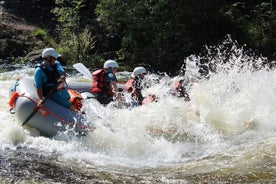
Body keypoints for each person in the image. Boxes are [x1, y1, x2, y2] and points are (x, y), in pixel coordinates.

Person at [34, 47, 78, 112]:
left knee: (68, 97)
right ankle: (79, 115)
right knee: (70, 106)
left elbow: (62, 72)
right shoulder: (39, 71)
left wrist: (63, 76)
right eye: (54, 58)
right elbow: (38, 87)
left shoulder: (56, 63)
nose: (55, 60)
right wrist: (41, 99)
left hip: (58, 89)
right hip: (50, 93)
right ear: (48, 58)